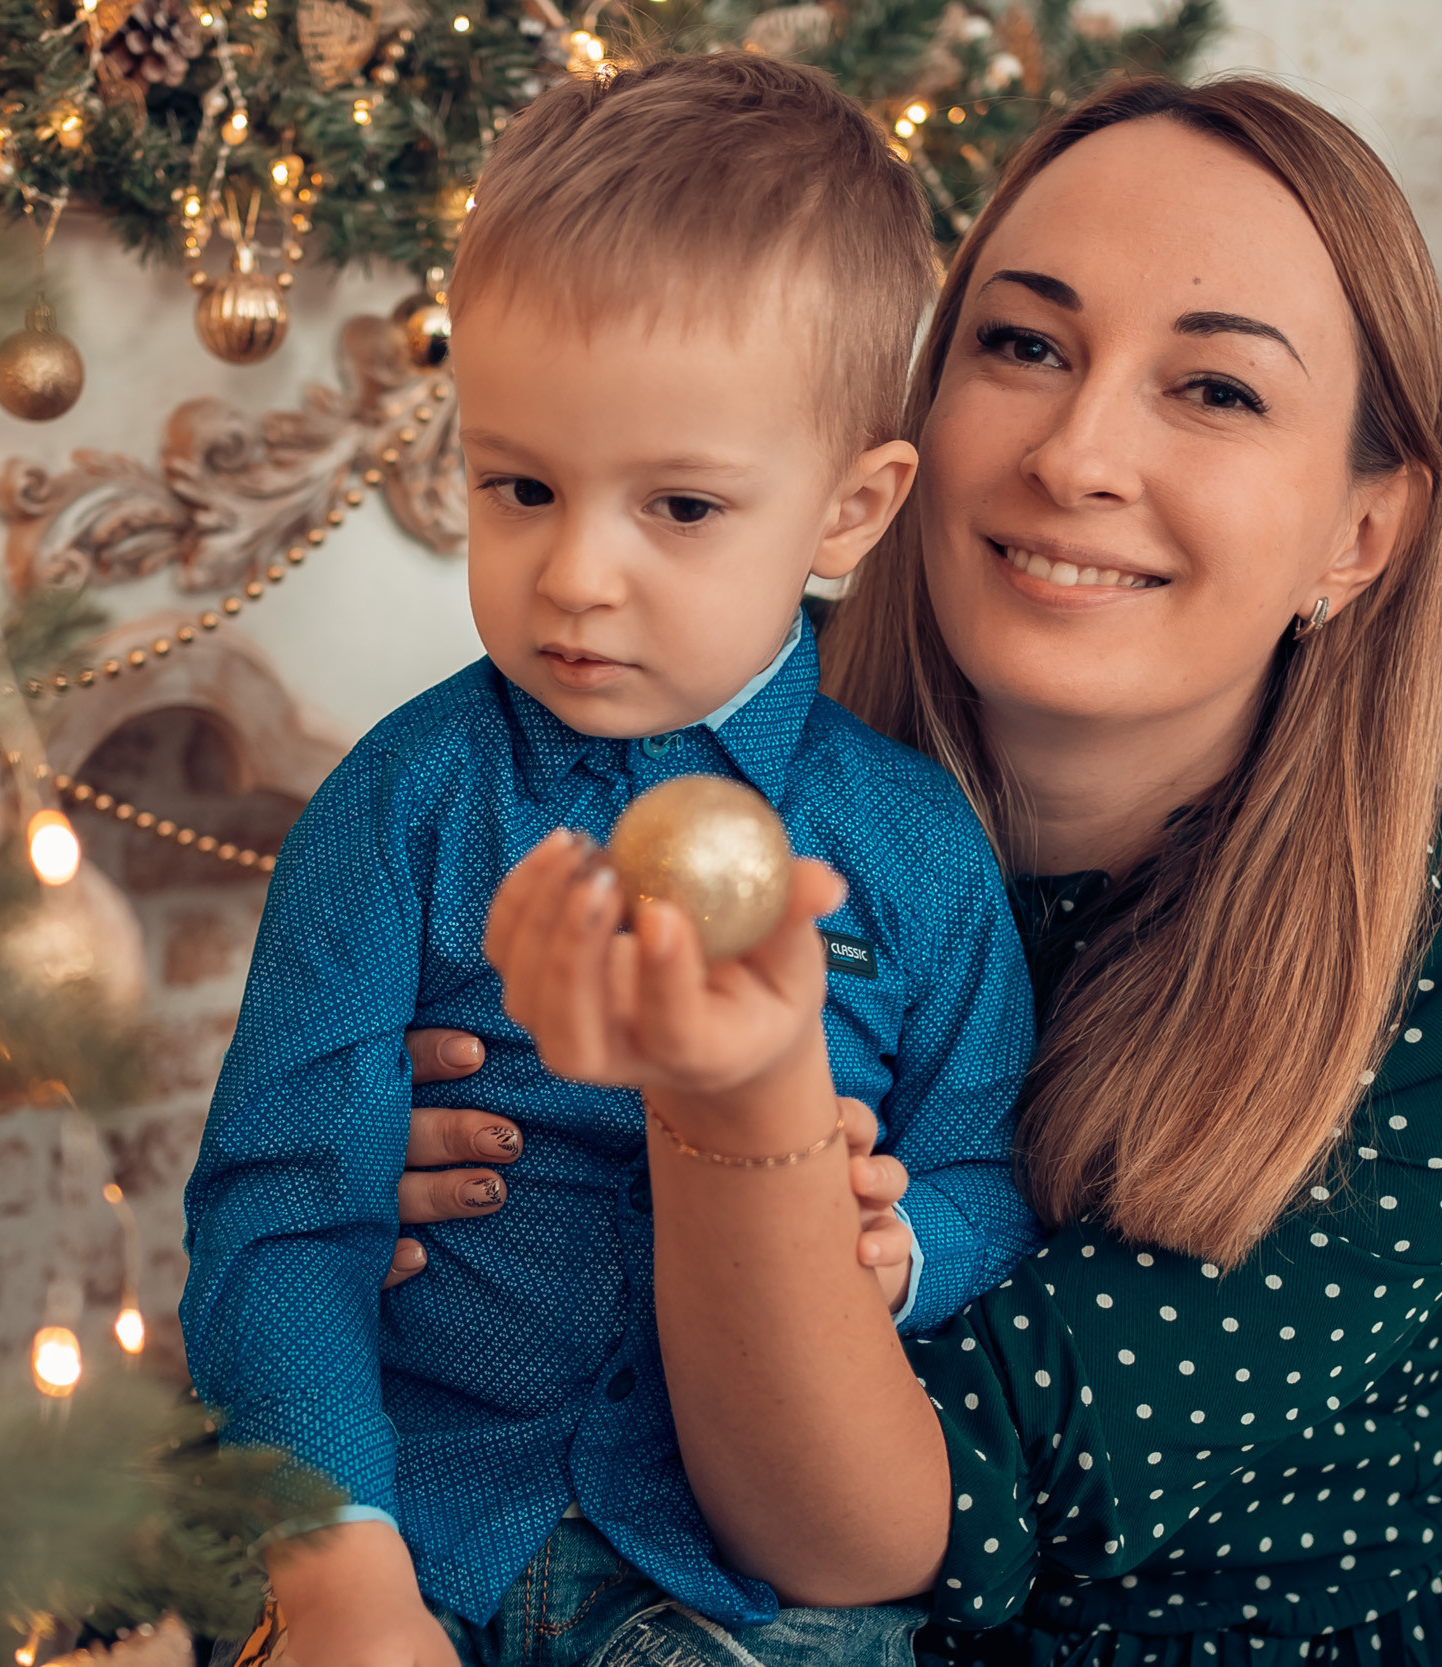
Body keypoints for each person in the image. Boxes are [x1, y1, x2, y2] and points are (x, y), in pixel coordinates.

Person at [399, 75, 1442, 1667]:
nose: (1078, 454)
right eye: (1024, 347)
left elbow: (852, 1536)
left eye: (1219, 392)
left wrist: (723, 1100)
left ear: (1360, 537)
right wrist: (416, 1173)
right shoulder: (692, 723)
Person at [180, 52, 1045, 1667]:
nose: (575, 573)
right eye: (520, 486)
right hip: (414, 1520)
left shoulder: (915, 851)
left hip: (744, 1588)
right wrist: (340, 1557)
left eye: (682, 508)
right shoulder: (399, 810)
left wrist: (907, 1243)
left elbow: (993, 1170)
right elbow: (277, 1223)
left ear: (850, 513)